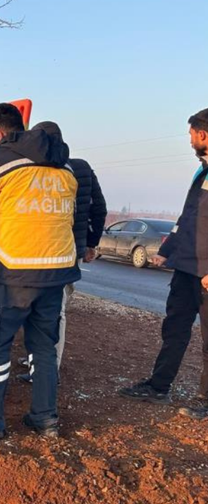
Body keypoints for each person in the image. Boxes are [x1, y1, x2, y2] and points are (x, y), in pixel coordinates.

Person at [0, 103, 79, 439]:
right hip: (57, 273)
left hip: (12, 272)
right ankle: (45, 419)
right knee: (43, 347)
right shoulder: (65, 168)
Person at [119, 108, 208, 419]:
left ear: (203, 135)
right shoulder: (202, 173)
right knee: (175, 329)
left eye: (191, 135)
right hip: (186, 268)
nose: (189, 141)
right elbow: (187, 219)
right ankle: (158, 387)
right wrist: (166, 251)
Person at [16, 123, 108, 383]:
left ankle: (47, 366)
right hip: (70, 251)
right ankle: (41, 357)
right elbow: (99, 208)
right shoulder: (82, 168)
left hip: (41, 248)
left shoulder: (35, 169)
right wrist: (91, 242)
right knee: (54, 307)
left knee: (47, 308)